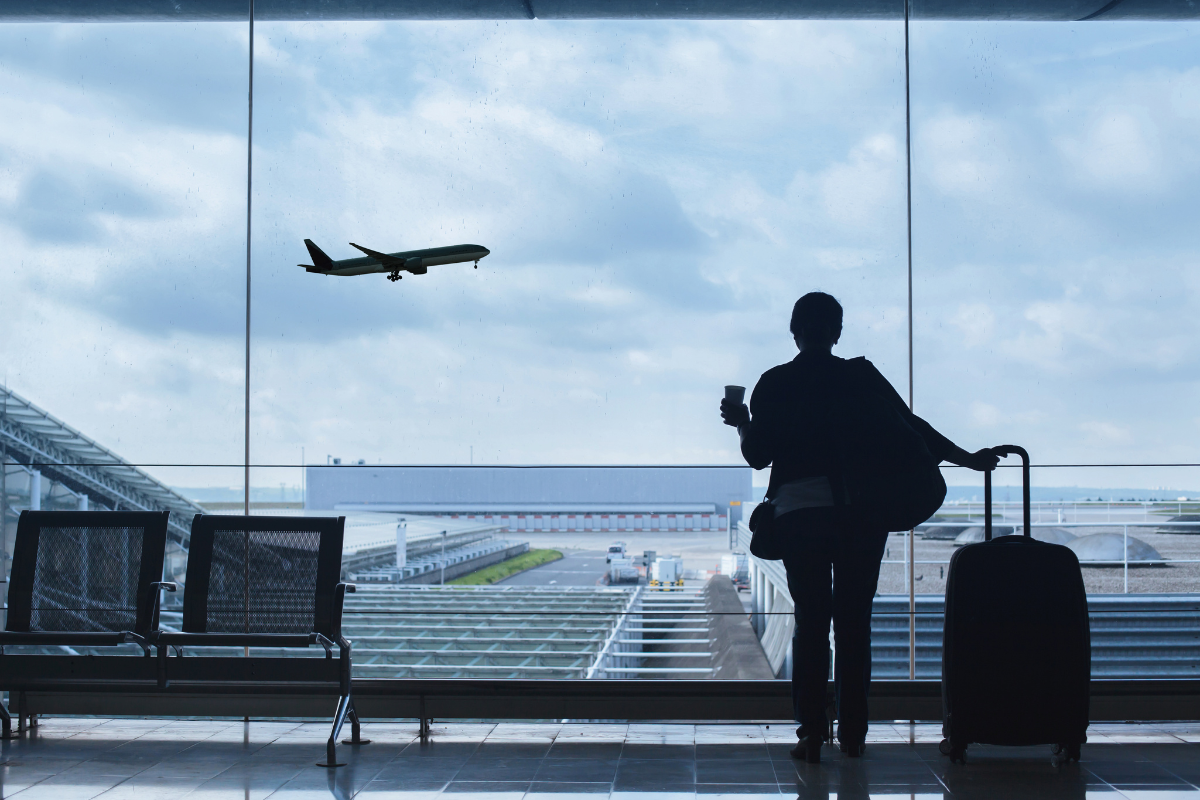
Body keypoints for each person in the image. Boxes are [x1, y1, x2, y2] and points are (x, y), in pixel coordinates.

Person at [720, 291, 997, 763]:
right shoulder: (860, 376)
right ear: (837, 332)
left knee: (811, 623)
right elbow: (912, 428)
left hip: (799, 515)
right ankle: (853, 734)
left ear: (794, 331)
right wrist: (967, 459)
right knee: (853, 624)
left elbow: (758, 455)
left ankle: (810, 733)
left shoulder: (775, 382)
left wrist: (742, 422)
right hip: (860, 515)